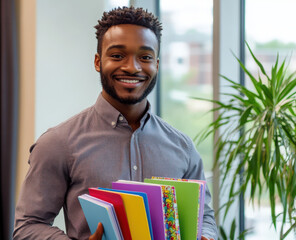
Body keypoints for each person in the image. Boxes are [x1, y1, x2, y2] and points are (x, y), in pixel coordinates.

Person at [13, 6, 217, 240]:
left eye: (145, 57)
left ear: (157, 65)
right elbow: (28, 226)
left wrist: (206, 236)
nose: (132, 67)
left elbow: (205, 218)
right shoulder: (58, 143)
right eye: (118, 55)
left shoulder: (183, 147)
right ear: (98, 62)